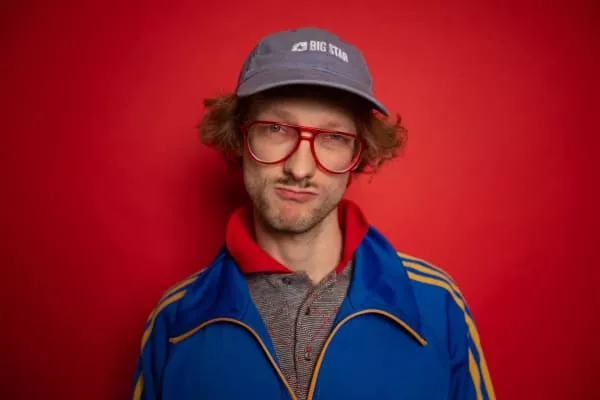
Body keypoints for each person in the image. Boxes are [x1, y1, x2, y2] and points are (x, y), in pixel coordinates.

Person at [131, 27, 495, 400]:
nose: (300, 169)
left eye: (333, 137)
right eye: (275, 129)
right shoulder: (173, 323)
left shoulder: (438, 303)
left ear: (359, 154)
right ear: (239, 138)